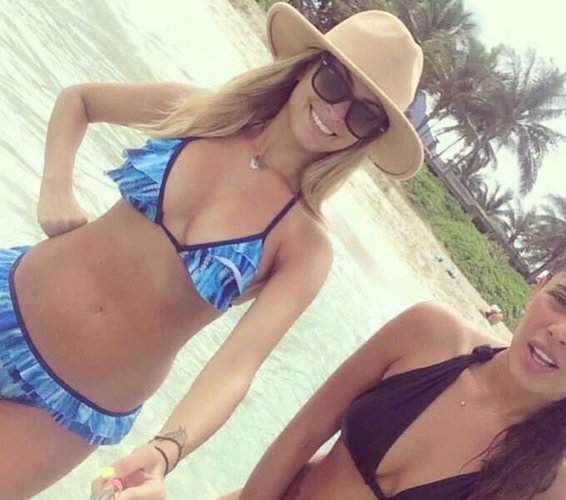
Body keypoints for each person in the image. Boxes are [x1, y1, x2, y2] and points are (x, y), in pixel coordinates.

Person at [0, 3, 424, 497]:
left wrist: (166, 451)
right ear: (307, 67)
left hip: (65, 408)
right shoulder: (202, 113)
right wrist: (55, 189)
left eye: (364, 114)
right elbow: (81, 101)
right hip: (13, 296)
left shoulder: (304, 247)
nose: (336, 113)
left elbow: (236, 367)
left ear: (369, 136)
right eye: (333, 83)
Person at [221, 242, 566, 500]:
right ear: (537, 289)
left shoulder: (559, 489)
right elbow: (302, 434)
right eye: (562, 300)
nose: (562, 331)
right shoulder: (428, 334)